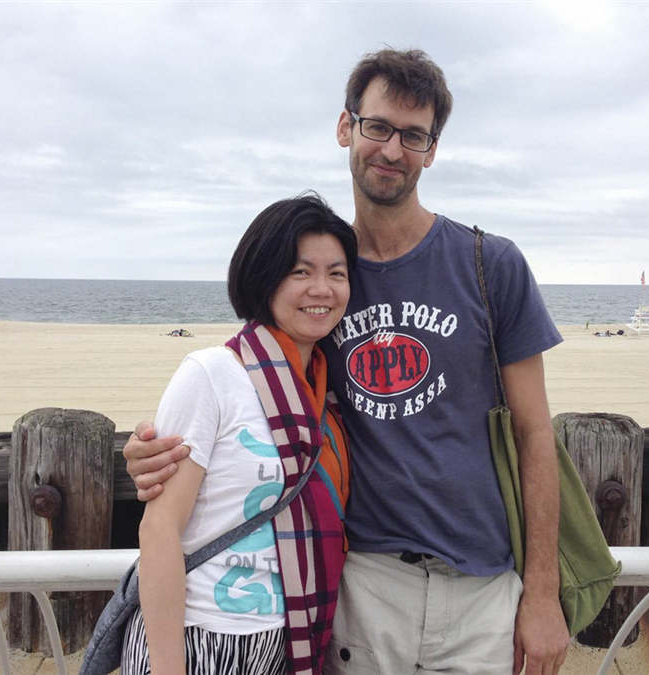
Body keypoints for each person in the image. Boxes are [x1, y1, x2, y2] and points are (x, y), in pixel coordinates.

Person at [125, 49, 570, 675]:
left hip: (483, 585)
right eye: (378, 126)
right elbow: (248, 385)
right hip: (363, 585)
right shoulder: (321, 283)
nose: (392, 149)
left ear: (432, 149)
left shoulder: (489, 264)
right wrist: (153, 450)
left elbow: (534, 433)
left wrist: (543, 594)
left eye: (414, 135)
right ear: (346, 128)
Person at [122, 194, 356, 675]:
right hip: (204, 635)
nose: (322, 289)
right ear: (264, 277)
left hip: (292, 639)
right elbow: (160, 528)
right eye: (300, 272)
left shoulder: (331, 393)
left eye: (337, 273)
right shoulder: (211, 374)